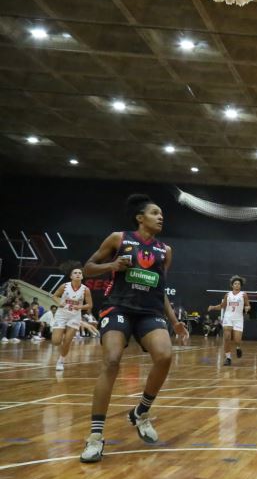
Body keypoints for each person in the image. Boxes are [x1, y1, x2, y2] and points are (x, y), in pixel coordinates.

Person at [79, 194, 189, 463]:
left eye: (161, 213)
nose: (160, 217)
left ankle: (140, 412)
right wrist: (112, 265)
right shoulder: (118, 238)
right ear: (140, 218)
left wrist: (174, 320)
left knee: (165, 356)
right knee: (112, 360)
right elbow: (88, 268)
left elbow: (160, 290)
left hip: (150, 311)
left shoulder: (166, 251)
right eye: (155, 212)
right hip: (118, 307)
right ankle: (95, 437)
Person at [51, 268, 93, 370]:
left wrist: (80, 307)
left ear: (82, 276)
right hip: (61, 314)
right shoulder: (64, 286)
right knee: (56, 341)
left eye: (80, 273)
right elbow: (54, 296)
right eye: (75, 273)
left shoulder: (85, 289)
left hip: (75, 316)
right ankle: (61, 341)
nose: (78, 274)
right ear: (71, 276)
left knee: (67, 341)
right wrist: (59, 302)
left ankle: (61, 360)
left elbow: (90, 305)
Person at [207, 275, 249, 366]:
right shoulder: (227, 294)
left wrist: (247, 308)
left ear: (240, 285)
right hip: (228, 317)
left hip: (238, 319)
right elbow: (222, 306)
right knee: (226, 338)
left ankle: (238, 347)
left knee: (237, 340)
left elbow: (247, 305)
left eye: (238, 284)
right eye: (235, 283)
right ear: (232, 285)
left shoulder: (244, 294)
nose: (237, 285)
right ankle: (228, 358)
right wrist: (213, 307)